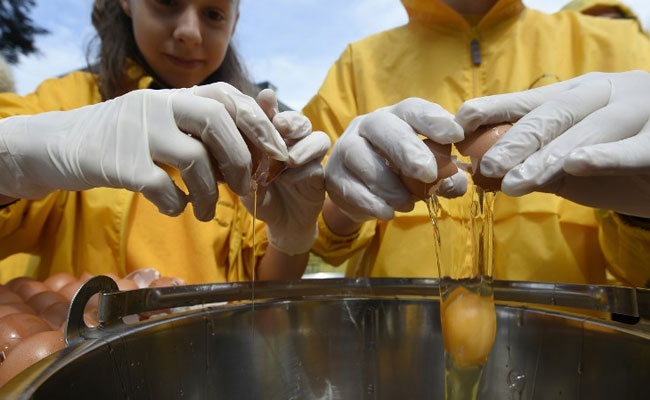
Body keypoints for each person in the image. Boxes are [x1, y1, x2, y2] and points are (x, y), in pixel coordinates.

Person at [305, 0, 650, 287]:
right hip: (400, 342)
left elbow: (637, 277)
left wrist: (642, 219)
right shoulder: (359, 64)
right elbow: (309, 241)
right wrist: (345, 204)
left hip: (566, 347)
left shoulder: (617, 45)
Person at [0, 0, 330, 284]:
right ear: (127, 3)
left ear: (234, 23)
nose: (190, 32)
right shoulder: (66, 101)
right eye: (168, 1)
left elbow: (265, 292)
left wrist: (291, 239)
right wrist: (16, 157)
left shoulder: (248, 136)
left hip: (213, 354)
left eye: (213, 13)